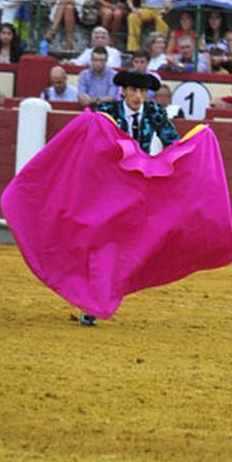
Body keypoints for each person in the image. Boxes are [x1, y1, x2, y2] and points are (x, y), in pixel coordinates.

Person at [83, 70, 179, 325]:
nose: (138, 96)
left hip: (136, 189)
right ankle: (92, 299)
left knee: (124, 244)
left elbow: (173, 143)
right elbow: (89, 144)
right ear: (123, 91)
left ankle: (101, 293)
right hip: (107, 188)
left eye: (143, 91)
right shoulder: (107, 112)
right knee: (102, 242)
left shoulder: (154, 112)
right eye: (133, 91)